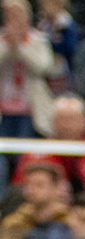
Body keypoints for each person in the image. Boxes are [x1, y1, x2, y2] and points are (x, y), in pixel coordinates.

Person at [0, 0, 53, 140]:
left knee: (25, 147)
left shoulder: (38, 40)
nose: (14, 19)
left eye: (18, 15)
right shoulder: (1, 41)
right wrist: (7, 46)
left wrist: (20, 48)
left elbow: (43, 67)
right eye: (10, 15)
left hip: (30, 108)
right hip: (4, 108)